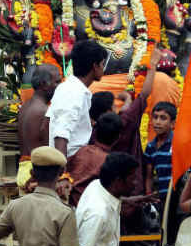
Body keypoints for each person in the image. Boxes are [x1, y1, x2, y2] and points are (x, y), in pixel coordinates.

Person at [88, 47, 162, 197]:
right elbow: (144, 94)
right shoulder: (124, 123)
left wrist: (127, 99)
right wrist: (152, 65)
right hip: (131, 189)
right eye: (114, 105)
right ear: (109, 112)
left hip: (104, 191)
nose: (117, 107)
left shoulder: (93, 132)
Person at [46, 40, 107, 158]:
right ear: (95, 66)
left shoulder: (67, 87)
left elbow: (46, 125)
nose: (103, 68)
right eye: (102, 64)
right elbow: (61, 134)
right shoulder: (75, 92)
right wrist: (62, 173)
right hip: (71, 162)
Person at [17, 64, 61, 190]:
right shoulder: (44, 111)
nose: (59, 86)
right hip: (36, 177)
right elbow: (49, 150)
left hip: (23, 170)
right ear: (43, 84)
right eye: (57, 82)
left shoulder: (25, 107)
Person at [67, 112, 122, 206]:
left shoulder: (82, 150)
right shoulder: (109, 162)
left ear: (95, 132)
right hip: (87, 209)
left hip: (69, 203)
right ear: (118, 138)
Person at [144, 101, 177, 203]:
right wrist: (149, 195)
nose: (157, 122)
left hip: (178, 195)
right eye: (155, 117)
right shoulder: (150, 147)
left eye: (163, 118)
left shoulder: (177, 143)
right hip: (163, 198)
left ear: (172, 124)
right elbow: (149, 176)